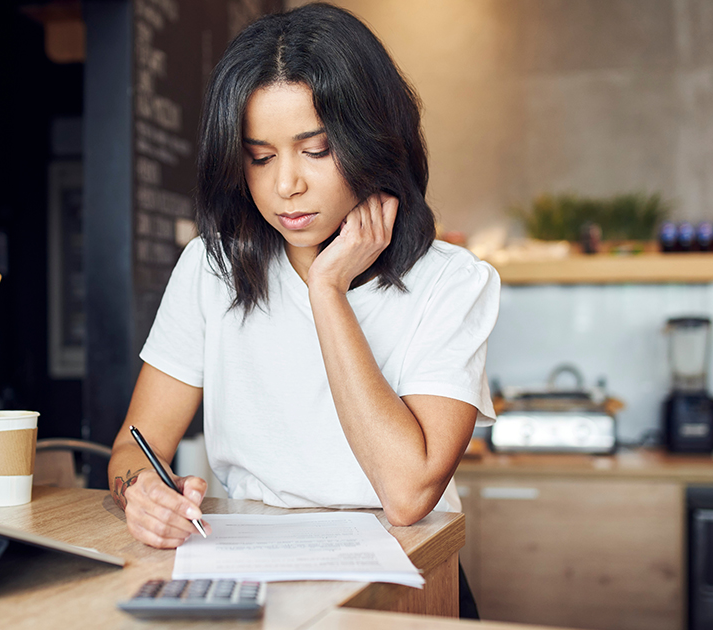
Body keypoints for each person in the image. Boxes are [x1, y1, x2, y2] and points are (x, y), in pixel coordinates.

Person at [109, 1, 498, 579]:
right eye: (259, 158)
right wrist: (140, 492)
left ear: (372, 140)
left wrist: (327, 291)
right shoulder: (211, 268)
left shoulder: (451, 282)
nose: (286, 184)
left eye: (316, 150)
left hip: (405, 579)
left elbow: (408, 494)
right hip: (249, 569)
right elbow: (133, 451)